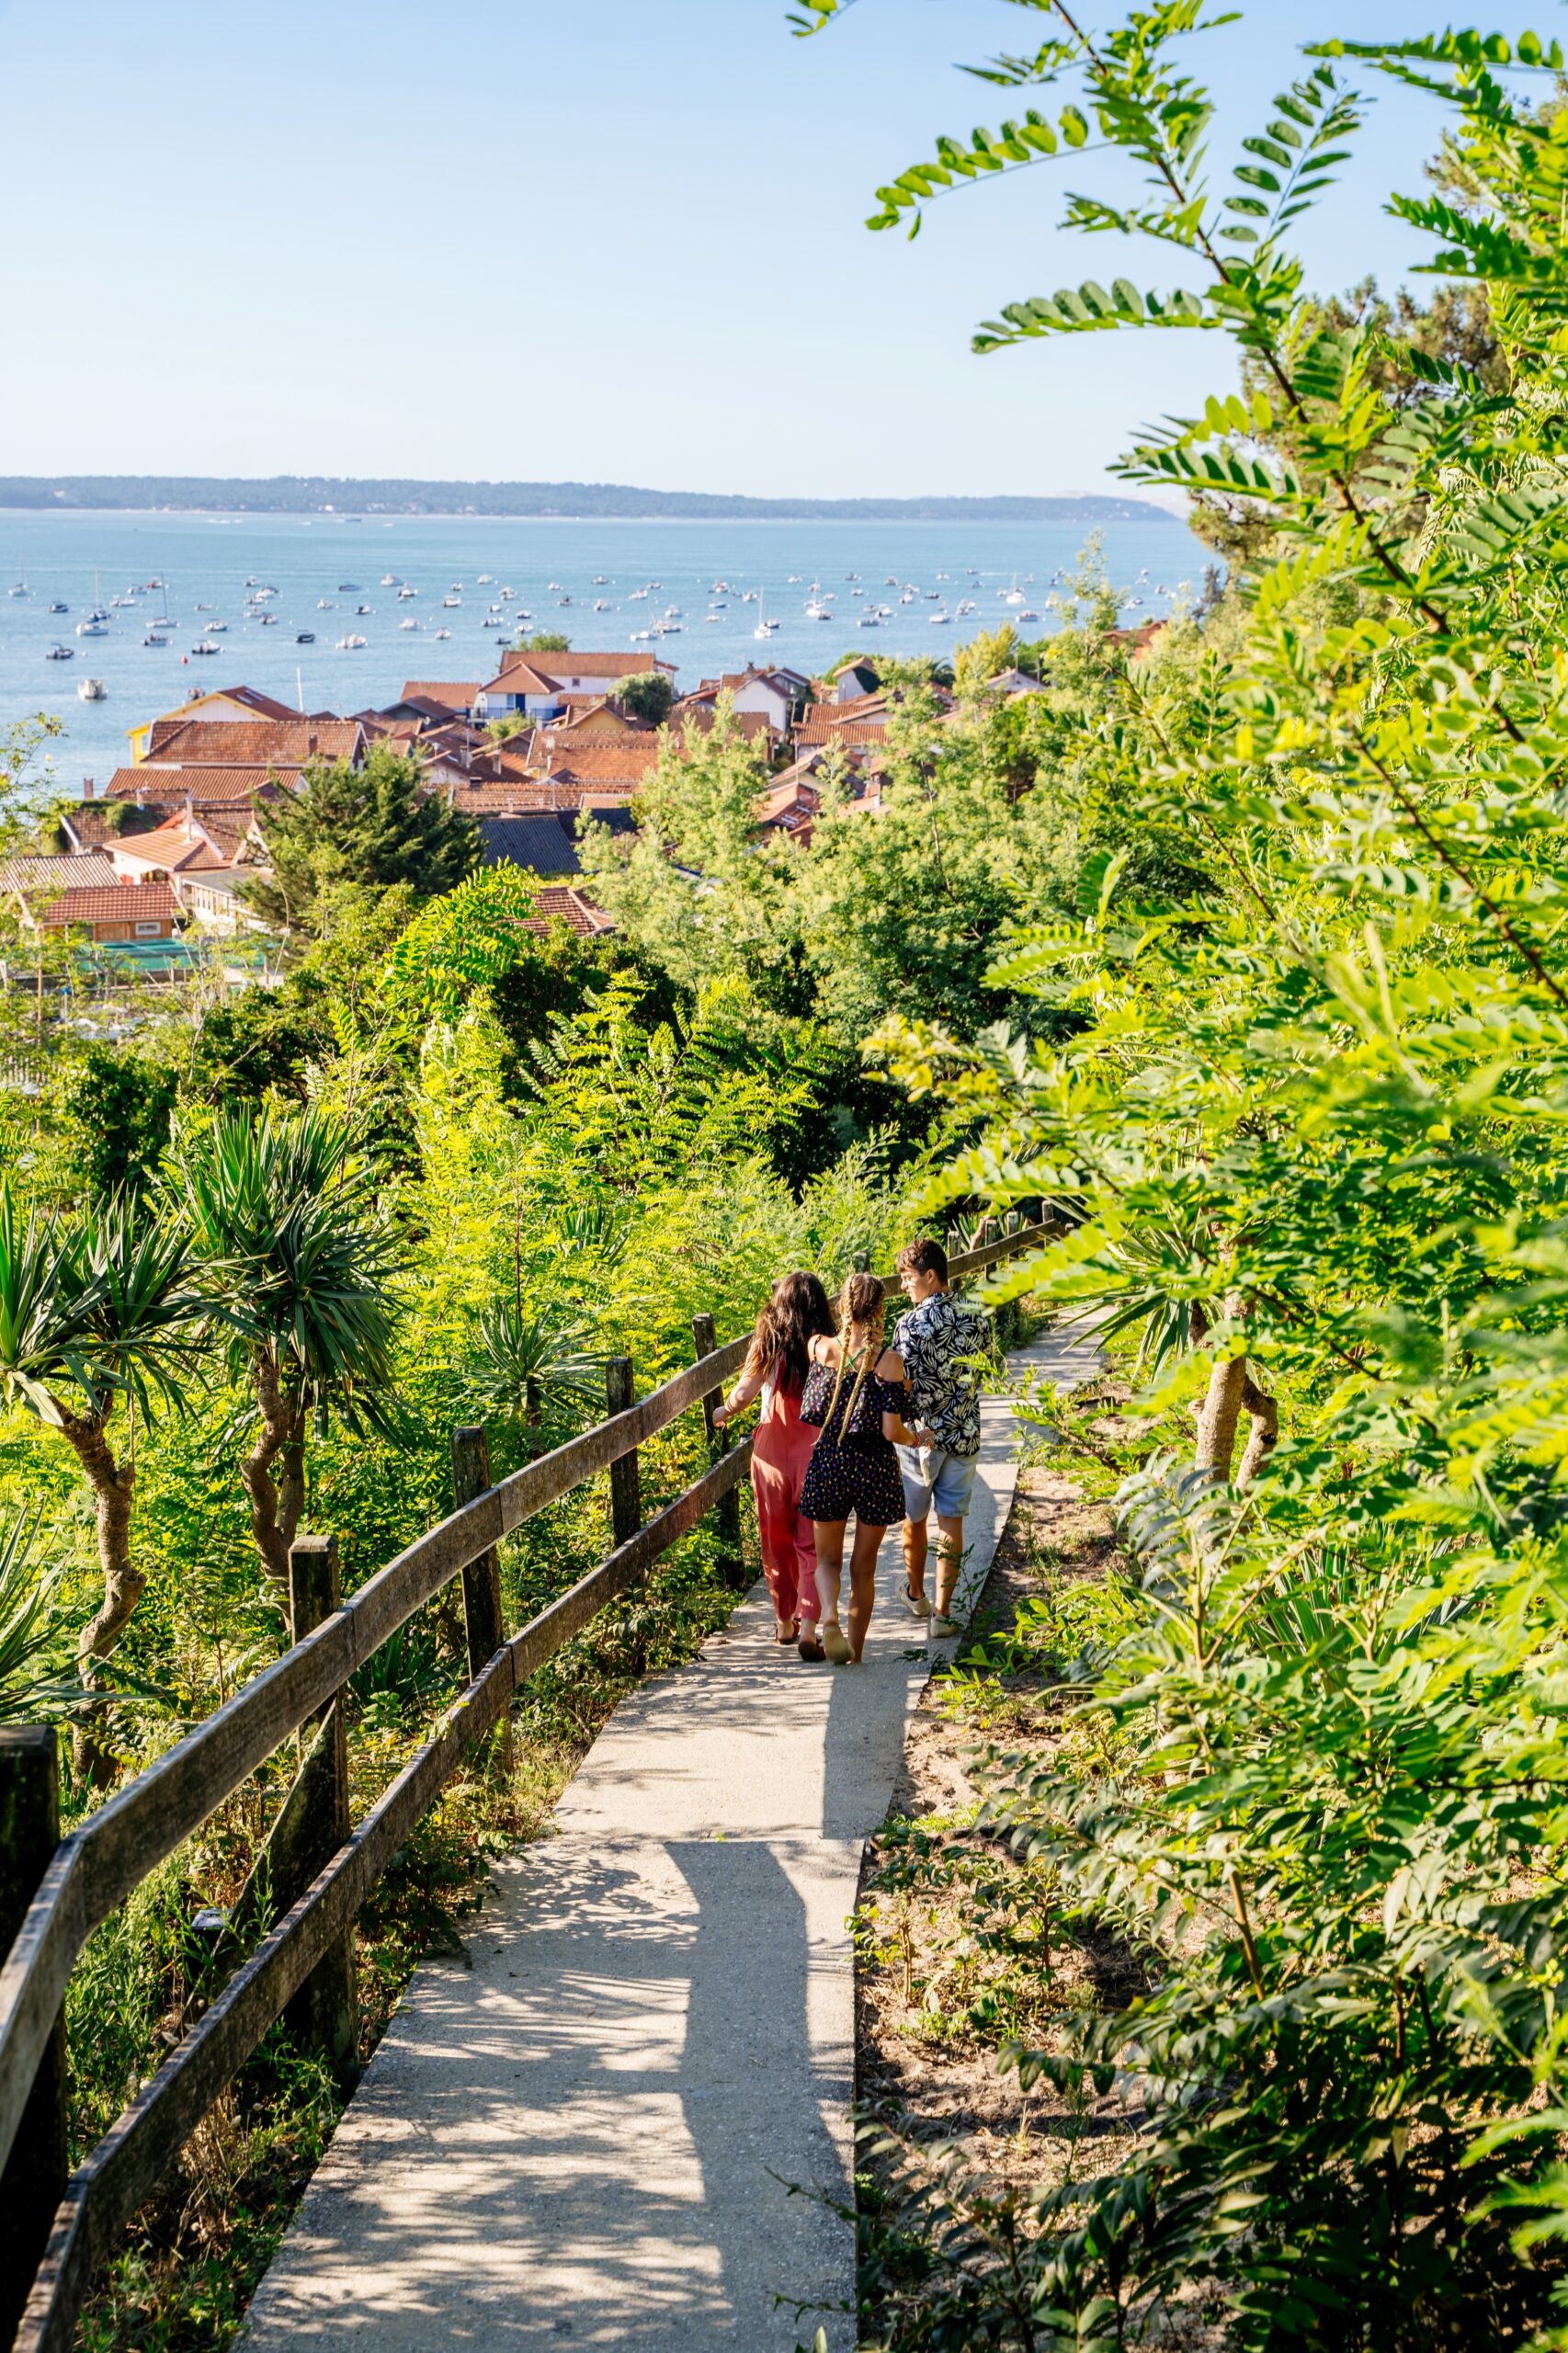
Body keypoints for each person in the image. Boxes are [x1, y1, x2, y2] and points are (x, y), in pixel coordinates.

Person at [798, 1270, 933, 1665]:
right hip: (873, 1468)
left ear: (842, 1307)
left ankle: (828, 1616)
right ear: (879, 1310)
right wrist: (918, 1438)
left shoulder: (818, 1347)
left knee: (826, 1560)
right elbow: (892, 1429)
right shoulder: (889, 1361)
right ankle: (854, 1653)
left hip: (829, 1462)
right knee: (863, 1568)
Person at [713, 1271, 837, 1654]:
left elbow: (744, 1393)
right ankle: (809, 1628)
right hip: (816, 1450)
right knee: (812, 1545)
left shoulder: (768, 1338)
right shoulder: (828, 1345)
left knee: (775, 1541)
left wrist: (722, 1411)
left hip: (771, 1456)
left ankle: (784, 1622)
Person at [892, 1237, 992, 1638]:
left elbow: (900, 1384)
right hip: (964, 1432)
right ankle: (943, 1615)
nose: (903, 1286)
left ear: (930, 1276)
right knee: (951, 1522)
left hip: (921, 1439)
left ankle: (916, 1595)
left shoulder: (910, 1324)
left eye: (907, 1277)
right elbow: (983, 1369)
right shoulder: (976, 1315)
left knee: (914, 1519)